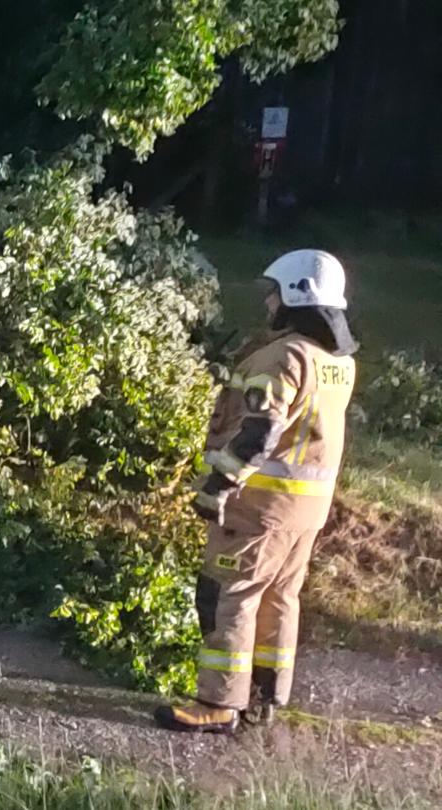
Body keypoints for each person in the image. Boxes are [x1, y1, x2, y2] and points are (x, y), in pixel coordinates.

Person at [157, 249, 359, 733]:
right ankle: (266, 698)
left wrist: (217, 486)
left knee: (229, 594)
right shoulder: (338, 362)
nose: (268, 302)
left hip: (260, 507)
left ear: (295, 296)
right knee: (281, 597)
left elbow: (259, 432)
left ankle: (219, 703)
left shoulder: (284, 356)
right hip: (307, 510)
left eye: (273, 293)